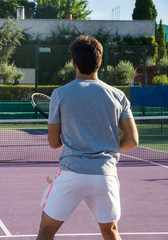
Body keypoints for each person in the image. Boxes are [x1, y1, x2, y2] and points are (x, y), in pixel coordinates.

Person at [37, 35, 139, 240]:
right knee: (110, 231)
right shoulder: (118, 95)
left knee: (47, 231)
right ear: (100, 62)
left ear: (74, 63)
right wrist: (103, 150)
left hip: (71, 174)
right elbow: (132, 140)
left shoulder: (60, 94)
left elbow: (54, 142)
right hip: (105, 176)